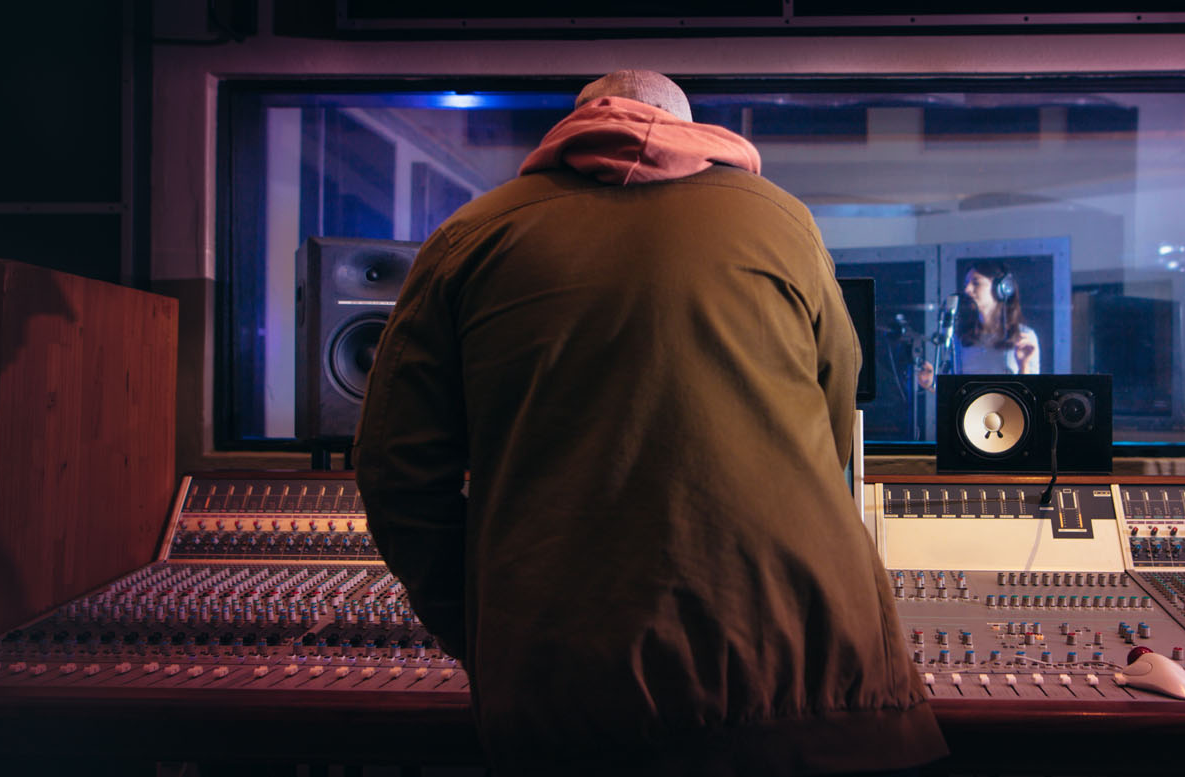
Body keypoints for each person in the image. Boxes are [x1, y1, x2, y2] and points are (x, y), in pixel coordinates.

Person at [353, 70, 946, 776]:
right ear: (692, 127)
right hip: (824, 694)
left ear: (573, 127)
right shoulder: (783, 221)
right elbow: (837, 405)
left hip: (570, 702)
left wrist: (486, 623)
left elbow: (395, 471)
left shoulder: (467, 240)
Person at [917, 261, 1041, 388]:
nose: (967, 290)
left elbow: (1031, 394)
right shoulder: (960, 337)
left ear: (1002, 289)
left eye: (976, 283)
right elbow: (954, 392)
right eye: (966, 284)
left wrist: (1024, 365)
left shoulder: (1025, 337)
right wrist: (931, 383)